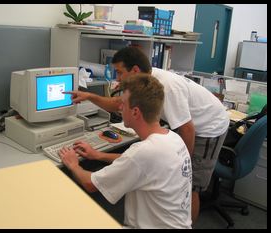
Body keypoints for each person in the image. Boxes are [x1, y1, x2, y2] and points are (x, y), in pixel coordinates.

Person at [65, 47, 230, 224]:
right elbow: (141, 160)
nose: (117, 78)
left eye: (120, 72)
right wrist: (90, 96)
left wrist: (182, 170)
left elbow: (187, 129)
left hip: (208, 127)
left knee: (192, 187)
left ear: (135, 70)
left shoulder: (168, 88)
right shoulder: (168, 137)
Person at [59, 73, 192, 229]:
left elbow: (90, 184)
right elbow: (135, 162)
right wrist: (98, 155)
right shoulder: (173, 138)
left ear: (135, 112)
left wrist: (74, 165)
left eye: (122, 103)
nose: (119, 107)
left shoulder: (144, 152)